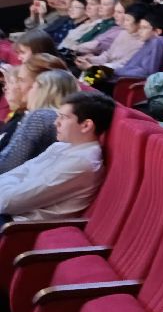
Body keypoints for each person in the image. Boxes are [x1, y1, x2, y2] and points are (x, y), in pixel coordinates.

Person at [0, 93, 114, 225]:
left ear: (86, 126)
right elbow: (20, 172)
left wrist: (17, 183)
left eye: (63, 118)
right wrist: (17, 183)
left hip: (18, 227)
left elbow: (7, 202)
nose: (56, 123)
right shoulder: (60, 146)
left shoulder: (82, 163)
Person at [0, 67, 77, 175]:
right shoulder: (57, 117)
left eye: (32, 88)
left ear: (44, 91)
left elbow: (9, 163)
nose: (26, 92)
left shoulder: (40, 116)